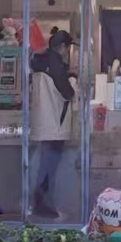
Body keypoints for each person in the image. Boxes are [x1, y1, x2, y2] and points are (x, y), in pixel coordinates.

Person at [29, 29, 76, 219]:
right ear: (62, 47)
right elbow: (67, 92)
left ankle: (41, 204)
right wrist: (72, 79)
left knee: (45, 165)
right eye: (68, 48)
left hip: (43, 122)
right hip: (55, 122)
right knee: (49, 166)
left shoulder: (39, 62)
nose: (67, 53)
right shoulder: (55, 63)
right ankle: (43, 206)